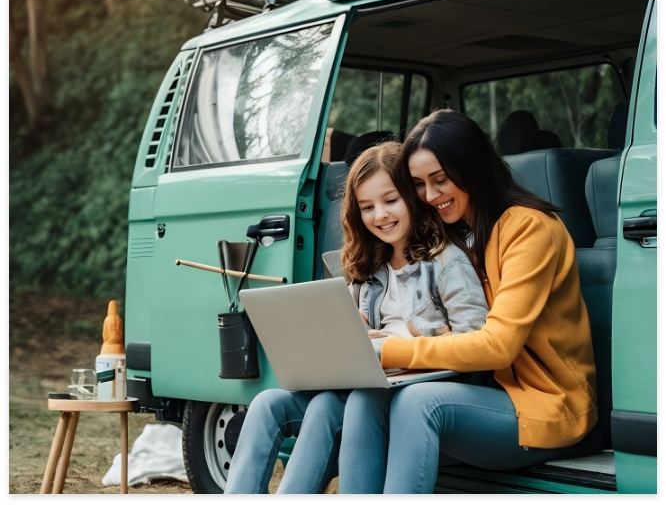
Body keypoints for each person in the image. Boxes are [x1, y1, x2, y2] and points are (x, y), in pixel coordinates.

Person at [224, 141, 488, 494]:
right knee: (267, 402)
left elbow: (477, 346)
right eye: (367, 207)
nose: (380, 215)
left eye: (390, 201)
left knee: (331, 407)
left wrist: (398, 346)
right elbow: (352, 339)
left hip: (414, 387)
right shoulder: (367, 268)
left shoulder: (447, 262)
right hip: (368, 379)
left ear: (413, 198)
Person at [371, 109, 603, 494]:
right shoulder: (460, 235)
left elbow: (496, 346)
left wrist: (389, 351)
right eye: (419, 185)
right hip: (486, 394)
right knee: (368, 402)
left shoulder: (529, 227)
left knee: (418, 404)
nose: (430, 197)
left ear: (473, 168)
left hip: (547, 406)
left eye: (440, 180)